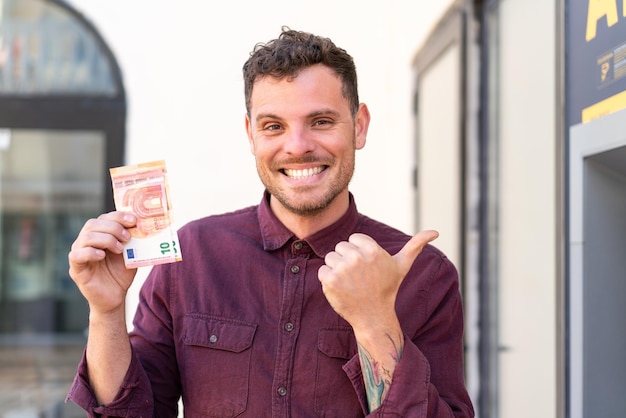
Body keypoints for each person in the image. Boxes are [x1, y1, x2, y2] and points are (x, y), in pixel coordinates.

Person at [66, 27, 474, 418]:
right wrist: (105, 312)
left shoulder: (424, 275)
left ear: (360, 125)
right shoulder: (192, 256)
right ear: (251, 134)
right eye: (274, 126)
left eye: (321, 122)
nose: (297, 147)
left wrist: (374, 322)